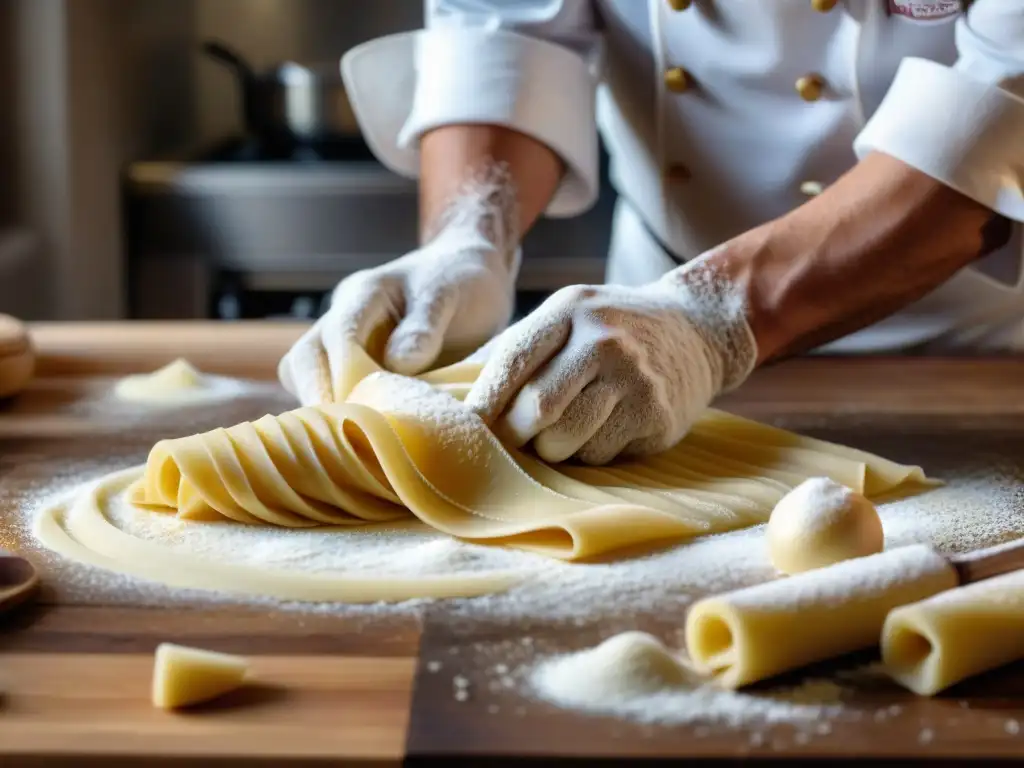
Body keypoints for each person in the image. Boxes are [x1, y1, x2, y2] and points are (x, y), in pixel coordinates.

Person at [279, 0, 1024, 465]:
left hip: (970, 342)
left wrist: (712, 322)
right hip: (640, 336)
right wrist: (468, 236)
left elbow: (992, 121)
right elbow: (503, 29)